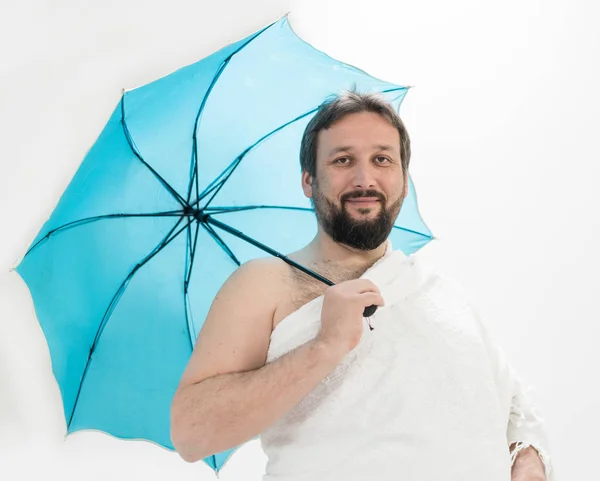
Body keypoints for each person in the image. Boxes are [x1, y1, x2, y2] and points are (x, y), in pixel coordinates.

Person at [170, 90, 554, 481]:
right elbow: (191, 434)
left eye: (382, 159)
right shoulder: (265, 283)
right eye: (343, 160)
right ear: (308, 180)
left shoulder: (438, 290)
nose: (364, 178)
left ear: (404, 180)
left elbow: (512, 402)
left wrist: (528, 457)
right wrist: (325, 346)